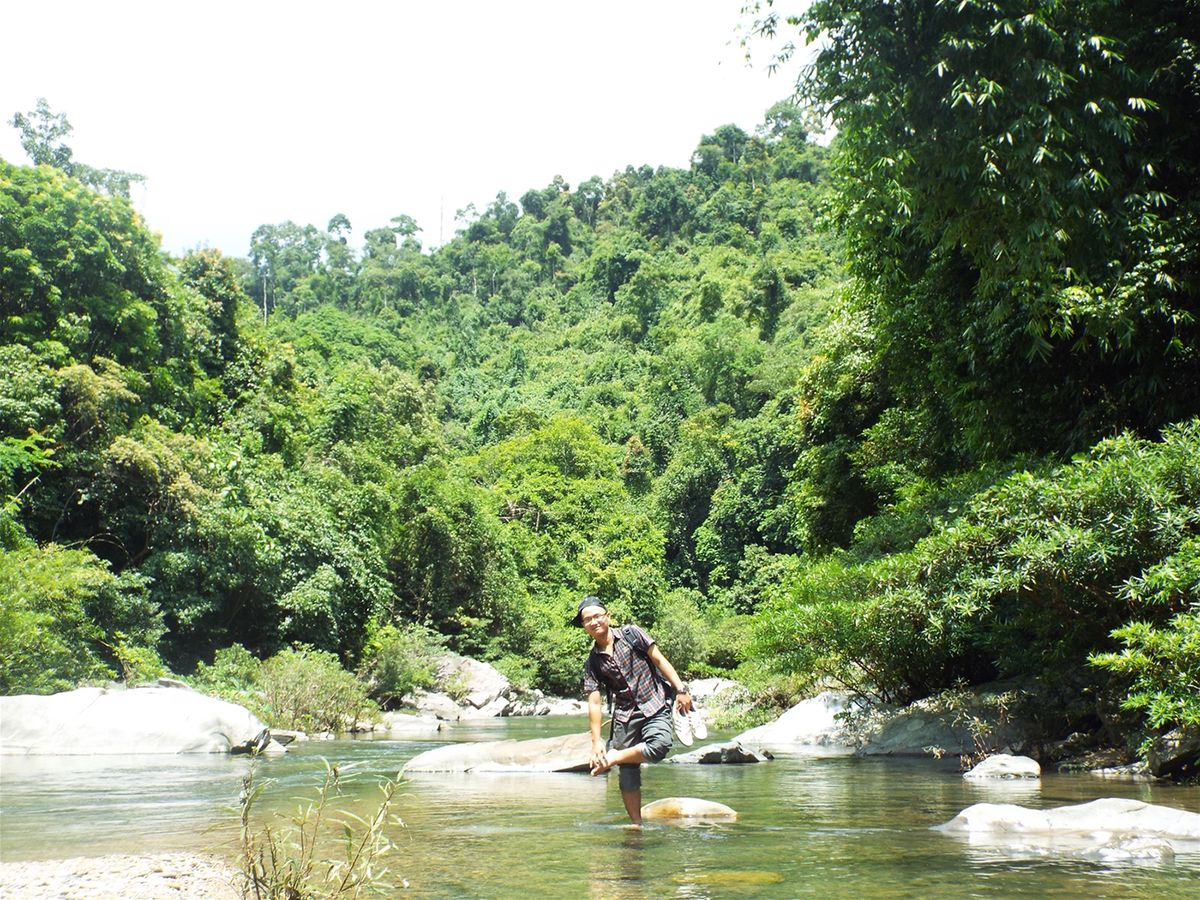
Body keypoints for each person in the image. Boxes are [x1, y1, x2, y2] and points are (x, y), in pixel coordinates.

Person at [572, 595, 693, 826]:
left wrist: (681, 689)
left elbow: (659, 660)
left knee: (660, 745)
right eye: (588, 620)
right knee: (628, 772)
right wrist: (596, 741)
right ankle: (636, 825)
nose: (594, 622)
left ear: (608, 616)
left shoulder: (631, 634)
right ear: (584, 627)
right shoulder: (593, 663)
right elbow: (594, 702)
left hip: (654, 703)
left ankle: (615, 757)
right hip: (625, 715)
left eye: (598, 616)